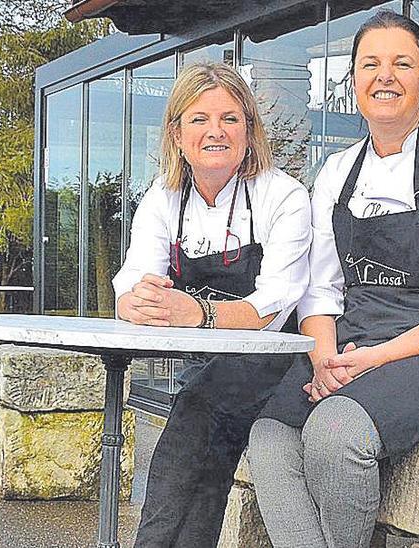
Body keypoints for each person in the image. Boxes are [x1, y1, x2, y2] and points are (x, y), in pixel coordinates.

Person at [248, 10, 419, 548]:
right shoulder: (337, 172)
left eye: (402, 63)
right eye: (371, 64)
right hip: (352, 348)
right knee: (270, 433)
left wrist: (371, 361)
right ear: (354, 81)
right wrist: (325, 358)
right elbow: (320, 288)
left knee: (334, 432)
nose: (384, 76)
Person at [112, 62, 311, 548]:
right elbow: (133, 280)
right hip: (207, 370)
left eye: (229, 118)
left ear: (249, 129)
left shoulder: (283, 196)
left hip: (275, 365)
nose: (215, 131)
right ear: (177, 133)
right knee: (204, 462)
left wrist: (197, 313)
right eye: (199, 119)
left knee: (183, 443)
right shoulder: (163, 198)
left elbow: (271, 308)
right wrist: (137, 304)